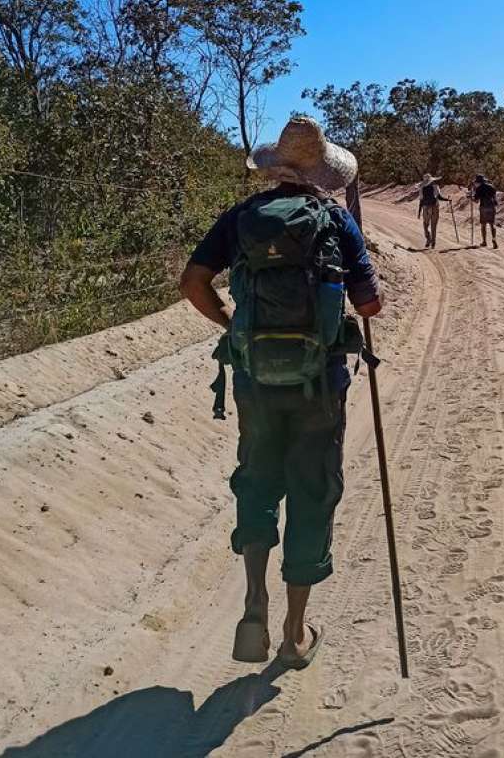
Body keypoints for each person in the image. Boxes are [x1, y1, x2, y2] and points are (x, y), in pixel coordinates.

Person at [179, 117, 382, 670]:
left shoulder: (242, 219)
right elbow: (369, 307)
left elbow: (191, 283)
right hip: (320, 385)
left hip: (254, 381)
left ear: (274, 169)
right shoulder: (335, 220)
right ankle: (293, 633)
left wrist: (235, 330)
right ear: (322, 173)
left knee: (259, 478)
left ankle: (254, 602)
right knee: (313, 491)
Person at [417, 173, 448, 248]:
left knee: (425, 224)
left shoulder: (421, 188)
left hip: (426, 208)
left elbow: (421, 200)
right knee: (434, 226)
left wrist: (419, 212)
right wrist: (448, 199)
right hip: (435, 207)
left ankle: (428, 238)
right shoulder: (435, 187)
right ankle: (433, 242)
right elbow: (439, 197)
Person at [471, 174, 498, 248]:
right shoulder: (492, 187)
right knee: (492, 224)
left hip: (483, 207)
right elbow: (495, 197)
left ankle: (484, 241)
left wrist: (471, 198)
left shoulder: (479, 188)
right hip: (491, 206)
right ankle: (494, 239)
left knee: (483, 225)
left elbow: (476, 201)